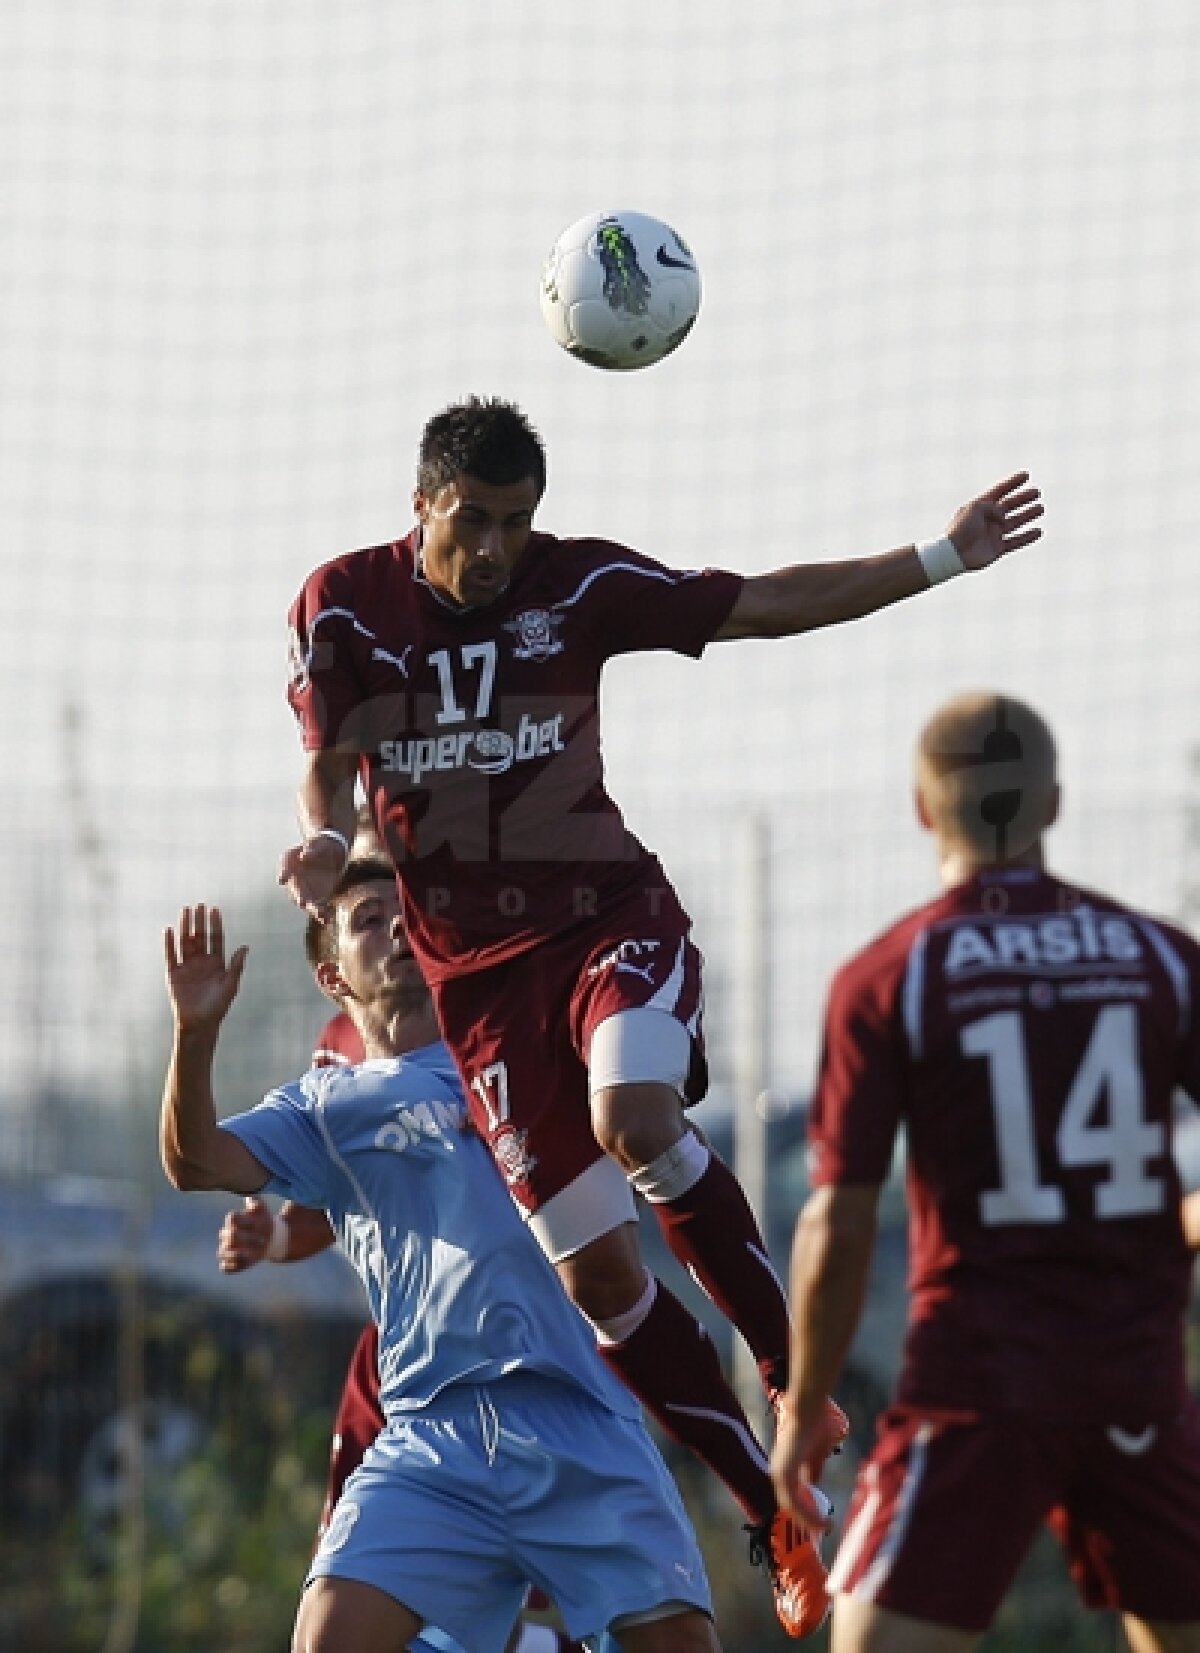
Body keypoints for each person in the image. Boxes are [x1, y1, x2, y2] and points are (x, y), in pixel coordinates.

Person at [277, 396, 1042, 1634]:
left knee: (635, 1110)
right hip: (477, 987)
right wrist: (320, 839)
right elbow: (323, 756)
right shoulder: (345, 602)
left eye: (516, 524)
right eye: (471, 521)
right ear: (421, 505)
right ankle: (771, 1505)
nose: (491, 550)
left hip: (603, 921)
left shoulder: (576, 590)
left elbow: (759, 603)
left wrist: (941, 554)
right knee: (603, 1283)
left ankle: (793, 1363)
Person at [163, 860, 719, 1653]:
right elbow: (194, 1161)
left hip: (584, 1420)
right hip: (434, 1440)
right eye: (365, 919)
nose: (396, 927)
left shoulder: (530, 1052)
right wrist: (195, 1034)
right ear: (331, 975)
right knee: (326, 1640)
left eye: (410, 912)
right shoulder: (328, 1106)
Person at [771, 691, 1200, 1653]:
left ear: (925, 809)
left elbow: (835, 1224)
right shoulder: (1162, 959)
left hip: (979, 1384)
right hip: (1137, 1380)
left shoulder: (893, 973)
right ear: (1053, 804)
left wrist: (804, 1404)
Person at [219, 1018, 586, 1653]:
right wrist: (275, 1239)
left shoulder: (499, 1003)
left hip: (527, 1359)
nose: (389, 926)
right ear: (331, 969)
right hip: (405, 1366)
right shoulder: (340, 1044)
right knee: (351, 1598)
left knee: (524, 1586)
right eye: (348, 914)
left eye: (393, 911)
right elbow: (326, 1206)